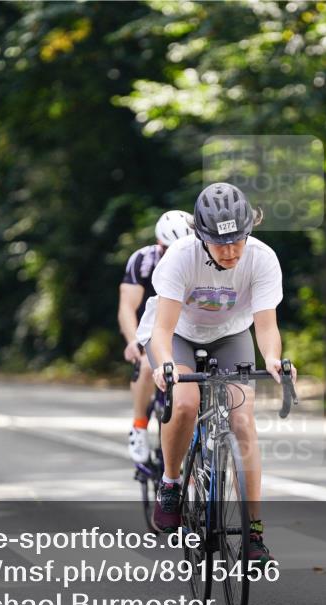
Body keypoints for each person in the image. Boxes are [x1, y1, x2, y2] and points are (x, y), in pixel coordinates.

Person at [136, 182, 297, 566]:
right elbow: (162, 330)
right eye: (220, 243)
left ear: (248, 232)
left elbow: (267, 326)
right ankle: (172, 483)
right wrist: (163, 366)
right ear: (201, 236)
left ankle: (255, 534)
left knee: (243, 419)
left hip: (231, 334)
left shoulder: (262, 258)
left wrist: (273, 359)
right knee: (187, 402)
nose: (230, 251)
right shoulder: (180, 257)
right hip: (179, 334)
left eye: (237, 241)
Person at [119, 210, 194, 462]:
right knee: (144, 365)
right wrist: (133, 341)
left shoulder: (198, 257)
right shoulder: (143, 260)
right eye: (168, 249)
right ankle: (139, 425)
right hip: (150, 328)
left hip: (187, 328)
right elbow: (127, 307)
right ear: (159, 245)